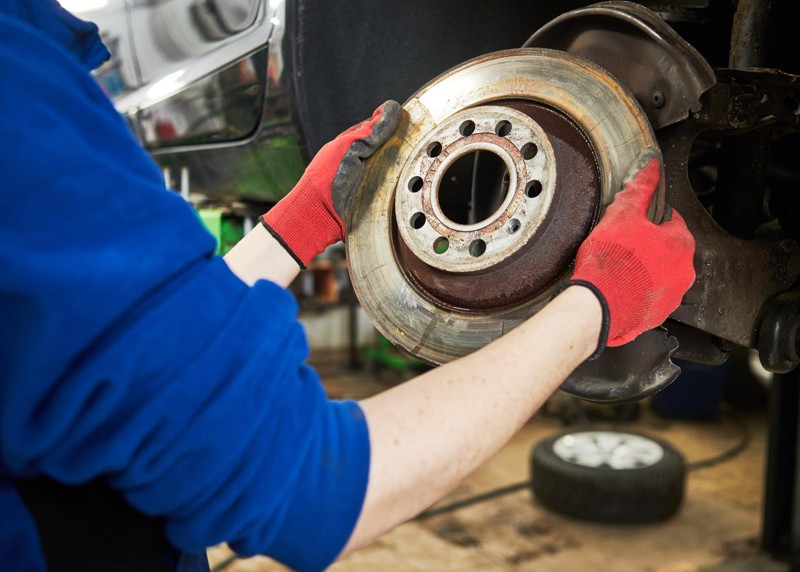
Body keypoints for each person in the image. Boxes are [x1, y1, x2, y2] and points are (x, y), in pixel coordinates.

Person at [0, 1, 695, 571]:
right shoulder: (14, 82)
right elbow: (310, 482)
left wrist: (292, 231)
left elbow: (116, 364)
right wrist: (594, 304)